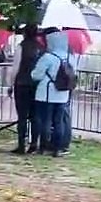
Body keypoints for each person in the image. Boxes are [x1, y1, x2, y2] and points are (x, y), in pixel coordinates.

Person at [31, 27, 74, 157]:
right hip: (62, 95)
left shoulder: (48, 57)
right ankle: (58, 149)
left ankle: (43, 148)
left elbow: (36, 75)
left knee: (46, 121)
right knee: (59, 122)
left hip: (46, 94)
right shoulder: (69, 57)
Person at [11, 23, 42, 154]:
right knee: (35, 116)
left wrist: (11, 84)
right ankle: (34, 143)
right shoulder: (41, 47)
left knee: (22, 116)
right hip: (36, 84)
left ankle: (21, 144)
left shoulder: (21, 47)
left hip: (22, 83)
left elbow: (16, 67)